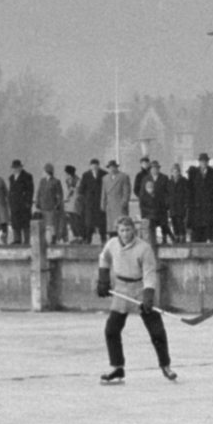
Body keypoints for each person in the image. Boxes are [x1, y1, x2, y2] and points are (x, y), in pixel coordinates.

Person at [95, 216, 175, 384]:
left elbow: (149, 273)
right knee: (111, 330)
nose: (125, 234)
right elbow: (104, 258)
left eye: (128, 230)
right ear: (118, 231)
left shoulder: (144, 248)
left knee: (156, 330)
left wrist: (148, 295)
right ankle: (117, 367)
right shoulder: (112, 244)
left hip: (140, 288)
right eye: (122, 230)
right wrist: (103, 279)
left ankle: (166, 366)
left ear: (134, 230)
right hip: (122, 288)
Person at [188, 153, 213, 243]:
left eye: (205, 161)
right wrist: (191, 201)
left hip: (209, 203)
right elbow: (190, 188)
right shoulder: (193, 173)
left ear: (208, 162)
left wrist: (212, 197)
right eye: (202, 161)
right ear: (199, 162)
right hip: (197, 203)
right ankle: (197, 241)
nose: (204, 162)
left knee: (209, 222)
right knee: (197, 223)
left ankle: (209, 239)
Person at [100, 159, 131, 236]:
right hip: (110, 204)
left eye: (113, 167)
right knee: (111, 226)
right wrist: (103, 204)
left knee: (121, 223)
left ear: (116, 167)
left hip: (119, 203)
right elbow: (104, 192)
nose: (112, 169)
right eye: (110, 168)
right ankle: (112, 238)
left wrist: (124, 202)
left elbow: (126, 191)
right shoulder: (105, 178)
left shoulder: (123, 176)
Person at [7, 159, 35, 245]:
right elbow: (11, 190)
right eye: (14, 168)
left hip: (23, 204)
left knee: (25, 223)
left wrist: (28, 202)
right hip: (14, 204)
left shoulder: (27, 176)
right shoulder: (11, 178)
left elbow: (30, 190)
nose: (15, 169)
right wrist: (10, 201)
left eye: (16, 167)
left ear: (20, 167)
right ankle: (17, 239)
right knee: (15, 222)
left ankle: (26, 241)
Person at [63, 164, 85, 243]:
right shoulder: (68, 180)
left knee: (76, 218)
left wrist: (72, 190)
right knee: (71, 218)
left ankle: (80, 236)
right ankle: (76, 235)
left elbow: (77, 189)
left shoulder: (78, 179)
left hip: (76, 200)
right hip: (71, 201)